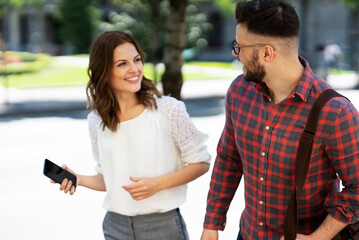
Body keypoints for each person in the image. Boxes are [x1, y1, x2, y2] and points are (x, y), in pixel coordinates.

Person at [200, 1, 359, 240]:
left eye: (239, 46)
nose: (236, 53)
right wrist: (211, 223)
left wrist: (318, 238)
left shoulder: (335, 112)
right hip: (248, 235)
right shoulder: (238, 91)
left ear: (267, 53)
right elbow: (229, 158)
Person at [52, 31, 211, 240]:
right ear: (103, 71)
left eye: (137, 60)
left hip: (162, 227)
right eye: (122, 64)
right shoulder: (97, 120)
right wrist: (78, 179)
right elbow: (109, 180)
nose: (134, 69)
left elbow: (201, 162)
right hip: (115, 227)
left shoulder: (168, 110)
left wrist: (157, 184)